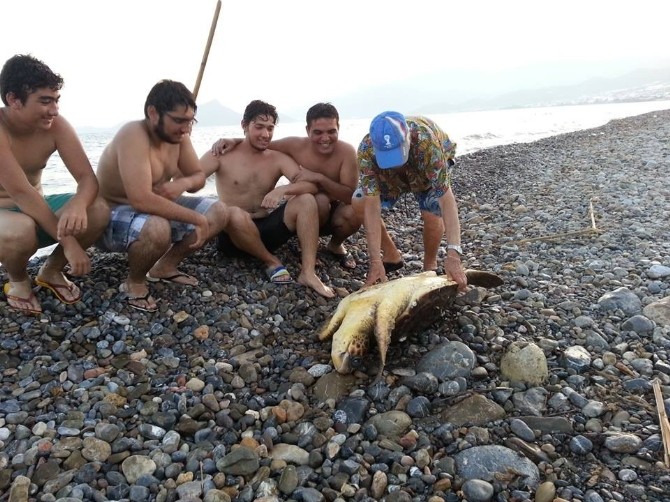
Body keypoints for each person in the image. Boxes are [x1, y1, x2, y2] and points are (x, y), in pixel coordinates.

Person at [96, 79, 239, 313]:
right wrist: (196, 219)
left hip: (154, 209)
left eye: (190, 121)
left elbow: (198, 179)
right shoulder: (133, 134)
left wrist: (181, 183)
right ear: (153, 113)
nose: (185, 128)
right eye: (179, 120)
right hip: (111, 217)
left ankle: (165, 266)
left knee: (219, 211)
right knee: (158, 228)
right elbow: (140, 199)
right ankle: (135, 281)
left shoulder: (178, 138)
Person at [0, 54, 110, 315]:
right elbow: (21, 192)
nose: (54, 109)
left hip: (35, 210)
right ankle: (17, 280)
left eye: (56, 100)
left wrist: (79, 204)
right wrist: (71, 243)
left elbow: (87, 179)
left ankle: (51, 270)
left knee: (97, 208)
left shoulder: (55, 126)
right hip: (7, 220)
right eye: (45, 101)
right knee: (21, 229)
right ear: (13, 99)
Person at [200, 99, 334, 298]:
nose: (266, 134)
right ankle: (271, 261)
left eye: (270, 128)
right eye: (259, 127)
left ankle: (308, 272)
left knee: (306, 199)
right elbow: (189, 180)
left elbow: (310, 185)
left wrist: (283, 190)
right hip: (233, 237)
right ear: (244, 126)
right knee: (234, 213)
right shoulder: (221, 154)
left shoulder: (276, 158)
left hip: (267, 230)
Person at [211, 102, 360, 269]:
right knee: (318, 200)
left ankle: (333, 246)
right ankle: (297, 251)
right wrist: (233, 140)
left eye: (331, 131)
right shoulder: (293, 145)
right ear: (307, 130)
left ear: (338, 127)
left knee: (353, 209)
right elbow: (259, 143)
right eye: (318, 132)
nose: (325, 138)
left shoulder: (347, 152)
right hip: (309, 209)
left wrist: (316, 179)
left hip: (332, 209)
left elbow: (350, 196)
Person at [353, 111, 467, 289]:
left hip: (425, 162)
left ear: (407, 137)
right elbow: (371, 206)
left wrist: (454, 254)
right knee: (359, 200)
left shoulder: (426, 142)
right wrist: (375, 259)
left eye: (397, 155)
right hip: (390, 177)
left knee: (431, 213)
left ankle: (429, 266)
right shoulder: (366, 151)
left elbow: (446, 199)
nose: (396, 163)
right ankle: (391, 256)